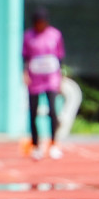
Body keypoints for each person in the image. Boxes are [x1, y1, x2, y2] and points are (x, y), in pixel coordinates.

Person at [22, 9, 67, 160]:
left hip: (51, 79)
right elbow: (24, 57)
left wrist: (60, 78)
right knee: (33, 112)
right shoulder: (28, 36)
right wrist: (25, 74)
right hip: (34, 80)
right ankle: (35, 145)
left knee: (53, 111)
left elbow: (60, 57)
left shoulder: (55, 35)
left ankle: (54, 143)